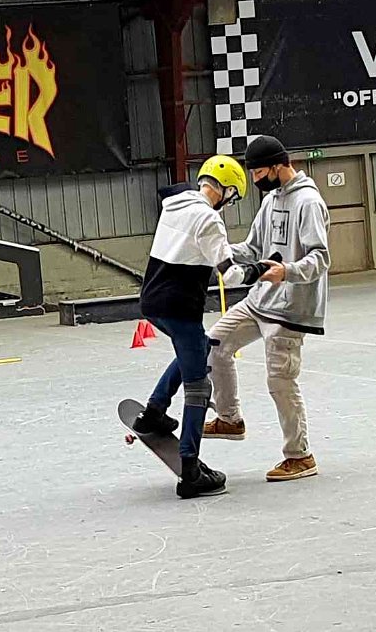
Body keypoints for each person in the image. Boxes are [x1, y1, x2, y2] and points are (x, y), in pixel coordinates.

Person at [132, 155, 274, 499]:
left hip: (152, 302)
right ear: (226, 190)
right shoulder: (209, 219)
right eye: (232, 197)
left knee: (197, 347)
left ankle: (154, 413)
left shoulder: (175, 203)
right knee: (199, 387)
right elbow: (231, 275)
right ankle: (190, 471)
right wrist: (261, 269)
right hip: (180, 307)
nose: (229, 203)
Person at [203, 135, 330, 482]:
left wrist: (286, 271)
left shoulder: (308, 202)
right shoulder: (271, 200)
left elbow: (321, 258)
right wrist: (217, 251)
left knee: (280, 380)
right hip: (260, 300)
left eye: (259, 173)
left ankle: (300, 455)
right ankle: (229, 419)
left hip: (291, 309)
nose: (256, 180)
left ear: (277, 166)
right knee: (215, 343)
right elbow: (253, 247)